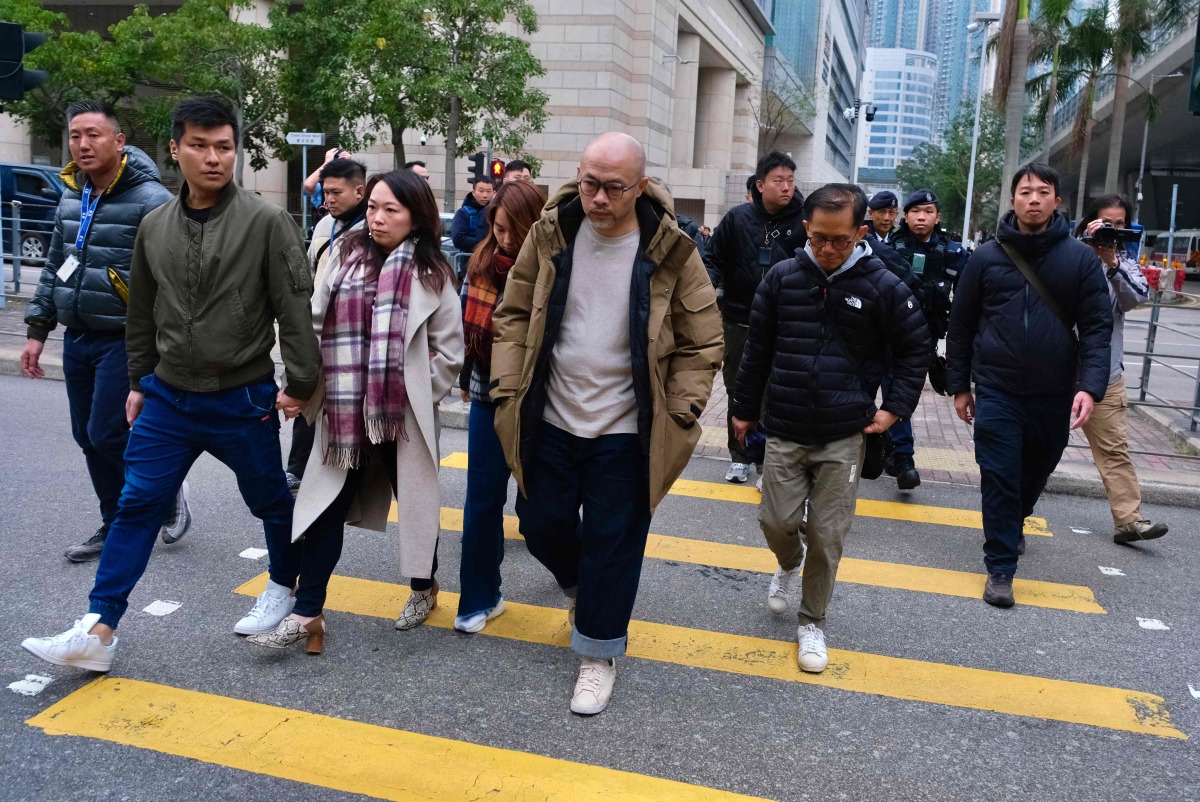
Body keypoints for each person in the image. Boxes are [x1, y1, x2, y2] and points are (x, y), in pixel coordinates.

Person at [20, 96, 322, 672]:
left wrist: (302, 383)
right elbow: (142, 315)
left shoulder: (267, 222)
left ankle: (282, 584)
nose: (214, 159)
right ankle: (100, 629)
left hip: (242, 395)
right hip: (168, 396)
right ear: (176, 149)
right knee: (136, 504)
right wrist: (138, 379)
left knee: (269, 499)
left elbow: (294, 311)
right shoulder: (154, 224)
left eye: (225, 147)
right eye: (201, 146)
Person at [491, 132, 722, 714]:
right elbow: (514, 313)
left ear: (639, 187)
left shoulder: (672, 250)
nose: (597, 198)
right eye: (589, 182)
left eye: (613, 188)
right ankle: (580, 590)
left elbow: (703, 341)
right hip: (552, 414)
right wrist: (506, 387)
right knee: (540, 523)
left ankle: (597, 652)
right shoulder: (552, 233)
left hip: (628, 428)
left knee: (613, 542)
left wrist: (682, 409)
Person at [249, 170, 463, 652]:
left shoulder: (433, 272)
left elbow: (451, 351)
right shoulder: (345, 254)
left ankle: (423, 587)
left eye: (392, 210)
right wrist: (301, 382)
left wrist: (411, 393)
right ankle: (308, 614)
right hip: (344, 408)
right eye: (373, 208)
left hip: (398, 413)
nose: (379, 218)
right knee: (328, 503)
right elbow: (312, 320)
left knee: (415, 503)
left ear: (416, 216)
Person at [731, 183, 929, 674]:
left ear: (861, 232)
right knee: (775, 521)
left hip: (845, 432)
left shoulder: (884, 285)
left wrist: (893, 410)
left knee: (828, 533)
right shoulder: (780, 278)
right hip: (785, 424)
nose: (827, 249)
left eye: (839, 240)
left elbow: (915, 351)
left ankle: (812, 620)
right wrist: (742, 408)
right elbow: (756, 350)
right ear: (806, 229)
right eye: (818, 238)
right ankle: (787, 561)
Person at [21, 100, 191, 562]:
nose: (82, 144)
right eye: (76, 135)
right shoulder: (72, 194)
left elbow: (174, 280)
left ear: (119, 141)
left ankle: (164, 488)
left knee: (107, 433)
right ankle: (114, 520)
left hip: (126, 336)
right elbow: (56, 262)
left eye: (93, 135)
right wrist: (38, 327)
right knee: (86, 436)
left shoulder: (152, 200)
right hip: (77, 334)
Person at [946, 163, 1113, 608]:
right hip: (997, 387)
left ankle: (1015, 518)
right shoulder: (986, 257)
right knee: (999, 473)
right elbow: (960, 326)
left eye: (1043, 192)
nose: (1033, 199)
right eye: (1025, 191)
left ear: (1057, 201)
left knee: (1038, 465)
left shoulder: (1079, 259)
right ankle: (1000, 567)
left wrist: (1089, 387)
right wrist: (959, 385)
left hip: (1055, 389)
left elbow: (1097, 327)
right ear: (1013, 199)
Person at [454, 179, 547, 634]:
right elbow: (465, 334)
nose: (506, 239)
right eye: (499, 228)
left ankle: (575, 579)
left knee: (546, 510)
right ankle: (478, 597)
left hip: (541, 404)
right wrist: (464, 381)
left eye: (515, 230)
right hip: (487, 395)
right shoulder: (482, 264)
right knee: (481, 500)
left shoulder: (553, 269)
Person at [703, 152, 806, 485]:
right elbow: (712, 259)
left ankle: (768, 465)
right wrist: (706, 290)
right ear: (760, 185)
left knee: (777, 393)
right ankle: (740, 456)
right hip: (738, 320)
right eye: (779, 181)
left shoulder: (803, 222)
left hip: (784, 323)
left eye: (790, 181)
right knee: (738, 388)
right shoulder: (737, 219)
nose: (786, 187)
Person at [1074, 195, 1168, 545]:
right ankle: (1015, 517)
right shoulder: (1070, 255)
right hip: (1056, 369)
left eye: (1119, 224)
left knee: (1114, 449)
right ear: (1089, 224)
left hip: (1105, 375)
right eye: (1105, 223)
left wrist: (1111, 261)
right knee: (1038, 448)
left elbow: (1136, 299)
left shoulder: (1124, 261)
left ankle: (1129, 521)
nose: (1112, 229)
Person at [285, 158, 369, 494]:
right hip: (317, 329)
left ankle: (341, 471)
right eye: (325, 192)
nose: (328, 199)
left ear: (359, 191)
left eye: (336, 192)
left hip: (350, 340)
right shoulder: (325, 226)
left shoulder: (369, 231)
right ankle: (296, 468)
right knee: (309, 400)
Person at [883, 189, 968, 490]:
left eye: (928, 211)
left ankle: (891, 444)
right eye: (916, 211)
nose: (922, 217)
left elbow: (969, 298)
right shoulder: (889, 250)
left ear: (938, 216)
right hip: (888, 336)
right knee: (896, 389)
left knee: (906, 392)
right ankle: (903, 456)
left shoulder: (954, 253)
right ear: (905, 216)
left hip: (928, 337)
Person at [451, 178, 495, 253]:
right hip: (468, 261)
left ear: (493, 193)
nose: (485, 195)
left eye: (488, 191)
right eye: (481, 191)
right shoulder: (463, 213)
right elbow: (458, 239)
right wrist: (485, 244)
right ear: (473, 192)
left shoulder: (496, 211)